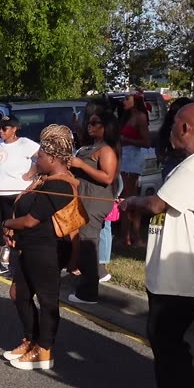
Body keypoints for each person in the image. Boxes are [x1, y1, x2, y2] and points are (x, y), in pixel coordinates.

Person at [121, 102, 194, 388]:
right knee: (164, 336)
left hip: (179, 277)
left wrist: (132, 203)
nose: (169, 133)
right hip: (170, 274)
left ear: (184, 128)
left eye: (172, 127)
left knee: (166, 337)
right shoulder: (189, 165)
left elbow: (155, 203)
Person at [1, 125, 79, 371]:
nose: (37, 158)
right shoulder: (44, 181)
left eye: (41, 156)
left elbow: (31, 220)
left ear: (53, 159)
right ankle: (31, 340)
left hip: (48, 250)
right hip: (31, 246)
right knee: (19, 294)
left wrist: (6, 223)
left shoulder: (62, 185)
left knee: (47, 300)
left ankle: (44, 350)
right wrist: (12, 230)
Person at [67, 111, 119, 305]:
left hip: (95, 200)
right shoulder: (88, 146)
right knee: (81, 241)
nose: (91, 126)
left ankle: (88, 293)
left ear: (107, 127)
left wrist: (81, 164)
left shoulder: (106, 150)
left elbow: (108, 177)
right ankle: (92, 275)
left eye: (96, 123)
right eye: (89, 122)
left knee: (88, 243)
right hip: (82, 198)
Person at [0, 117, 40, 275]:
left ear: (15, 129)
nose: (1, 131)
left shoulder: (24, 143)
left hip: (14, 194)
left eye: (5, 128)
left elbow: (44, 158)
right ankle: (4, 264)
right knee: (0, 229)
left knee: (15, 230)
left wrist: (30, 174)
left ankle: (22, 264)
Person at [118, 95, 151, 246]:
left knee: (129, 196)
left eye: (127, 99)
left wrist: (127, 140)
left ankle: (134, 236)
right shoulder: (125, 116)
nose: (124, 102)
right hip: (123, 157)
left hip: (133, 158)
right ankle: (126, 236)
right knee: (125, 196)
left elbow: (147, 142)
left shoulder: (140, 117)